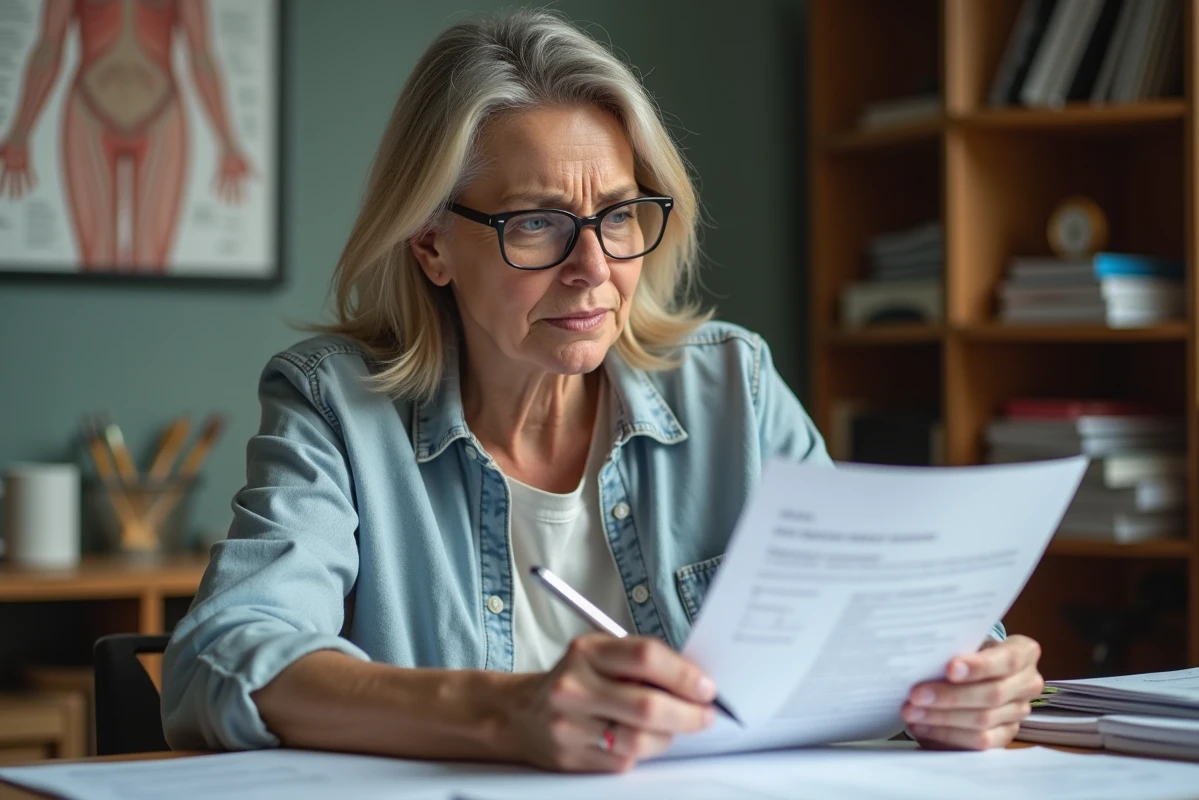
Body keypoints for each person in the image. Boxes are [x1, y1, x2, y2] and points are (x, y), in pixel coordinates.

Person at [161, 9, 1044, 773]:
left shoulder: (730, 386)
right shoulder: (337, 409)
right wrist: (506, 712)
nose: (594, 271)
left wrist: (966, 683)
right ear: (431, 245)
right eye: (536, 222)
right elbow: (224, 659)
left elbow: (881, 621)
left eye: (618, 216)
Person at [0, 0, 251, 270]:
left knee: (152, 261)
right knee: (95, 260)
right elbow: (49, 47)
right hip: (89, 110)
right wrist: (20, 133)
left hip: (161, 114)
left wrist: (227, 142)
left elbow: (201, 55)